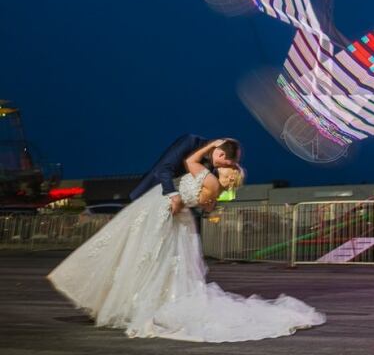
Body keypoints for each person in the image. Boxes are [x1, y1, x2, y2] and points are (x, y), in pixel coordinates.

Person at [48, 140, 325, 341]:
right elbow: (185, 187)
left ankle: (130, 300)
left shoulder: (207, 175)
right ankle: (147, 300)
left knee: (141, 254)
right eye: (227, 163)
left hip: (164, 210)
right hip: (177, 215)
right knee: (162, 261)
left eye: (228, 166)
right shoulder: (215, 189)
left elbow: (189, 163)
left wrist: (207, 148)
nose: (226, 167)